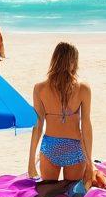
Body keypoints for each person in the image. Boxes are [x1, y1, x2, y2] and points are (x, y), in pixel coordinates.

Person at [28, 42, 94, 187]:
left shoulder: (40, 88)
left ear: (55, 60)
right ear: (74, 62)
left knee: (49, 190)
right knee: (71, 192)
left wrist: (31, 161)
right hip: (75, 148)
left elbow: (37, 126)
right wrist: (90, 162)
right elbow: (86, 126)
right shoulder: (83, 89)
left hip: (50, 148)